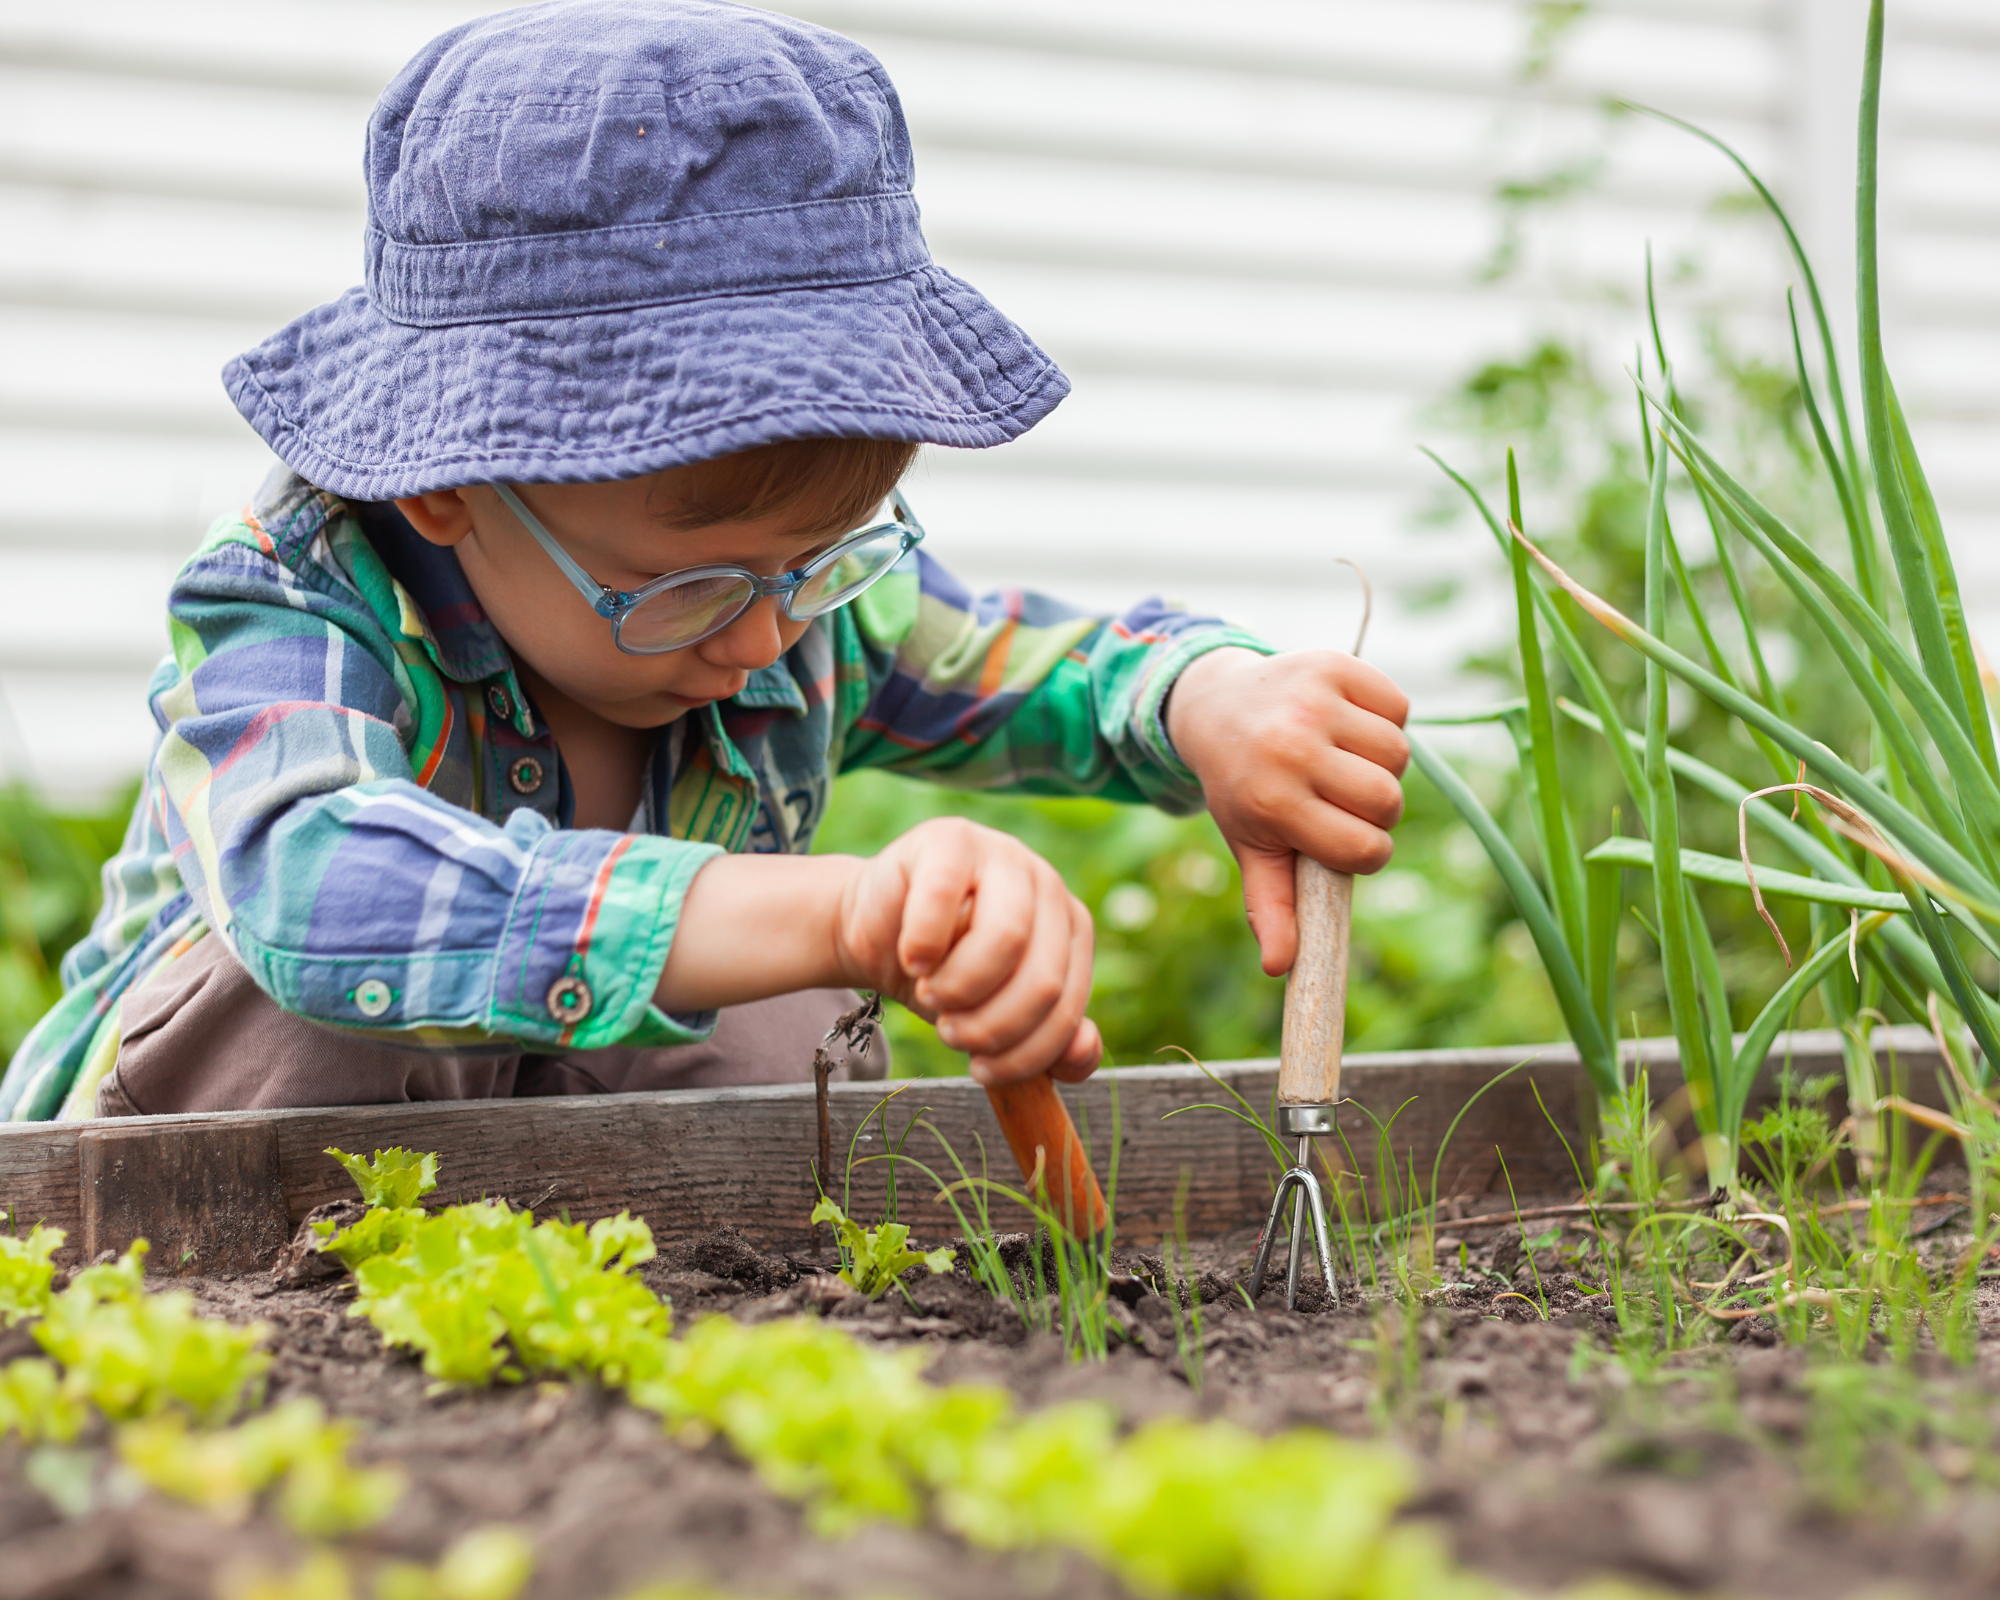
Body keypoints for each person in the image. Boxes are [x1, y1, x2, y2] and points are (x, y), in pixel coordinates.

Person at [0, 0, 1408, 1123]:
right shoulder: (297, 599)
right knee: (317, 997)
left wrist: (1208, 701)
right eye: (689, 589)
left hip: (579, 1207)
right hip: (178, 1204)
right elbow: (313, 885)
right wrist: (831, 906)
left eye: (818, 564)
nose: (762, 637)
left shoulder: (789, 607)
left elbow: (1039, 670)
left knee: (782, 1008)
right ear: (443, 486)